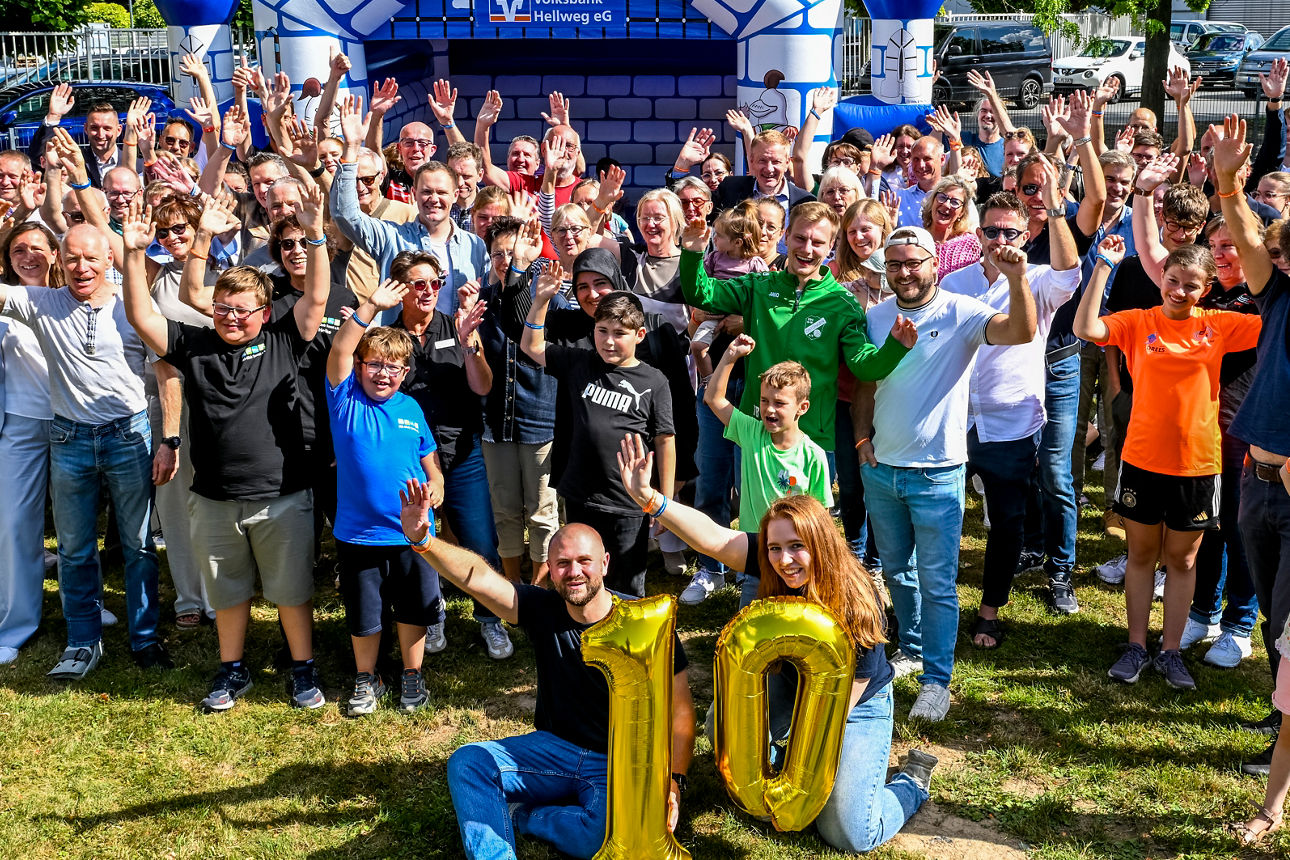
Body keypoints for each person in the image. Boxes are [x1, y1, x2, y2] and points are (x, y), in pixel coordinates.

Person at [616, 433, 936, 853]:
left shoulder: (857, 600)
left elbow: (835, 706)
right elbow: (711, 536)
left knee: (848, 833)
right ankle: (784, 769)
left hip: (854, 702)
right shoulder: (769, 561)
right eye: (774, 548)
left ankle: (911, 782)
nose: (784, 560)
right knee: (722, 725)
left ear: (819, 545)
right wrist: (650, 498)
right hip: (788, 681)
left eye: (797, 547)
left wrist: (802, 780)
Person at [402, 480, 694, 859]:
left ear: (604, 564)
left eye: (584, 561)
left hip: (619, 762)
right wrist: (424, 541)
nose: (574, 572)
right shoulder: (543, 608)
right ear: (551, 570)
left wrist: (675, 781)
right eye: (563, 563)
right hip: (553, 749)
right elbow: (479, 577)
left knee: (602, 837)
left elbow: (681, 711)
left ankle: (528, 817)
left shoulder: (644, 622)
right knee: (469, 763)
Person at [119, 190, 331, 711]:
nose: (230, 318)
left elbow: (318, 299)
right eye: (222, 309)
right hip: (213, 497)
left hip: (282, 494)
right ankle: (232, 670)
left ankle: (303, 670)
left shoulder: (285, 340)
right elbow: (141, 315)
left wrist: (318, 235)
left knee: (292, 592)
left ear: (263, 312)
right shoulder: (195, 343)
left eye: (240, 311)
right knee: (229, 593)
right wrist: (131, 254)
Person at [855, 225, 1037, 721]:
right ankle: (911, 650)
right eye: (895, 264)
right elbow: (868, 382)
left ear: (935, 264)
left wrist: (1018, 279)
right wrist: (861, 440)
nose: (904, 272)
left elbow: (1020, 332)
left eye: (914, 262)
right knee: (897, 571)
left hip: (938, 473)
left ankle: (937, 681)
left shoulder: (961, 311)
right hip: (883, 470)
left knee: (937, 582)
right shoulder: (876, 315)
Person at [1074, 234, 1260, 691]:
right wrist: (1103, 266)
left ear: (1207, 287)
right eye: (1172, 281)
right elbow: (1086, 328)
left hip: (1197, 464)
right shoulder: (1138, 321)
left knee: (1182, 558)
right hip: (1142, 459)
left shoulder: (1220, 324)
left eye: (1191, 285)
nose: (1179, 290)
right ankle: (1136, 645)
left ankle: (1171, 650)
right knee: (1140, 554)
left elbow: (1276, 314)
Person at [1, 221, 170, 679]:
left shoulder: (134, 308)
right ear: (60, 259)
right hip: (69, 438)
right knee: (74, 550)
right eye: (72, 257)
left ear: (108, 261)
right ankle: (82, 641)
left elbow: (167, 372)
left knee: (137, 545)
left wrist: (169, 439)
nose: (81, 267)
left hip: (128, 436)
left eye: (91, 258)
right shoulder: (40, 302)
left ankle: (145, 638)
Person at [941, 185, 1082, 644]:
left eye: (1010, 232)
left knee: (1007, 522)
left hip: (1012, 419)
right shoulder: (954, 281)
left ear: (1026, 234)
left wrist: (1058, 211)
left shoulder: (1039, 277)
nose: (1000, 239)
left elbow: (1070, 271)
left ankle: (989, 611)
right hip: (956, 418)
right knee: (944, 517)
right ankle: (936, 605)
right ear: (978, 232)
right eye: (991, 230)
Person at [680, 201, 912, 453]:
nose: (807, 249)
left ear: (831, 245)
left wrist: (895, 347)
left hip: (812, 441)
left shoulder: (842, 303)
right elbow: (701, 295)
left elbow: (864, 367)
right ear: (786, 236)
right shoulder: (759, 286)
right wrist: (693, 253)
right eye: (800, 238)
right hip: (756, 432)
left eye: (818, 242)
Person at [325, 278, 445, 716]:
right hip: (359, 534)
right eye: (374, 364)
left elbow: (429, 460)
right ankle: (366, 677)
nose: (383, 374)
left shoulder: (410, 409)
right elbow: (340, 348)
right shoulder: (344, 399)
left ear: (405, 372)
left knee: (413, 608)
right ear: (358, 367)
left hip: (413, 532)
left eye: (393, 368)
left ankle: (412, 675)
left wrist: (439, 485)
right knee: (364, 612)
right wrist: (371, 306)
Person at [386, 250, 513, 660]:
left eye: (434, 283)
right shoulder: (388, 340)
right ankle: (431, 612)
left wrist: (468, 345)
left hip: (461, 453)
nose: (428, 291)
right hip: (410, 461)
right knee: (421, 540)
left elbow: (482, 387)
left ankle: (490, 617)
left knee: (479, 540)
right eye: (418, 284)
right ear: (401, 289)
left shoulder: (457, 326)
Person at [1212, 115, 1290, 771]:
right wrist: (1227, 182)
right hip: (1257, 483)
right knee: (1275, 613)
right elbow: (1243, 234)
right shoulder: (1279, 298)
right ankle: (1282, 710)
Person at [521, 269, 675, 598]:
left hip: (630, 502)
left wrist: (666, 501)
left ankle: (628, 642)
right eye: (601, 330)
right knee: (584, 578)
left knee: (627, 585)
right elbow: (531, 345)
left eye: (619, 333)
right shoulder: (580, 362)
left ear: (640, 335)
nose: (607, 340)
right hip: (581, 496)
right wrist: (541, 300)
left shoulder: (654, 382)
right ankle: (586, 637)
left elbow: (665, 440)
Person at [697, 334, 831, 604]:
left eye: (780, 403)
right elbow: (713, 398)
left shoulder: (813, 456)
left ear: (801, 408)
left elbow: (821, 518)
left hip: (795, 554)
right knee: (752, 623)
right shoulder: (751, 432)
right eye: (764, 400)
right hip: (756, 550)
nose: (769, 409)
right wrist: (730, 356)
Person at [331, 96, 487, 319]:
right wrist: (352, 148)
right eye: (426, 192)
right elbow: (345, 215)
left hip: (452, 348)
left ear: (454, 195)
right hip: (400, 348)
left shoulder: (475, 247)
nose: (433, 199)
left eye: (441, 192)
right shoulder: (391, 236)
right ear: (413, 194)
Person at [477, 217, 562, 587]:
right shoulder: (480, 302)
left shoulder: (549, 300)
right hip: (495, 420)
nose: (505, 260)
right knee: (505, 509)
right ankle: (512, 583)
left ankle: (540, 585)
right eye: (498, 253)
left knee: (542, 510)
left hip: (539, 417)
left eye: (512, 253)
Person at [0, 224, 58, 664]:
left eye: (38, 247)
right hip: (19, 424)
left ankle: (87, 605)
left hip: (74, 422)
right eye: (18, 249)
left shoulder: (74, 296)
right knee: (17, 524)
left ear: (55, 254)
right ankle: (15, 625)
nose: (28, 255)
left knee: (77, 526)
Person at [712, 129, 814, 215]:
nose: (769, 168)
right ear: (752, 161)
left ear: (787, 163)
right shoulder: (729, 188)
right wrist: (695, 162)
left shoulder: (805, 201)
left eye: (776, 162)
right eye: (762, 161)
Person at [921, 175, 981, 280]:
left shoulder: (971, 243)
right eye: (942, 197)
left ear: (962, 212)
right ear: (933, 200)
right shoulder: (917, 240)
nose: (946, 205)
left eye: (955, 202)